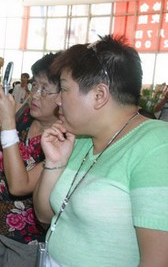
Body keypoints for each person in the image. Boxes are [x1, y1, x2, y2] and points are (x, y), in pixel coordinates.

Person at [33, 35, 168, 266]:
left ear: (99, 95)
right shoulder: (82, 138)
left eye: (64, 89)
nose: (58, 101)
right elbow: (45, 215)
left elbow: (156, 260)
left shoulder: (156, 145)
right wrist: (54, 163)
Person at [0, 53, 60, 266]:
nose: (35, 95)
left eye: (44, 89)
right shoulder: (23, 116)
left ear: (63, 95)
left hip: (26, 237)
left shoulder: (61, 139)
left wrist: (8, 122)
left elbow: (20, 186)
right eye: (34, 86)